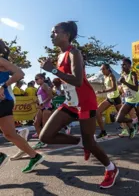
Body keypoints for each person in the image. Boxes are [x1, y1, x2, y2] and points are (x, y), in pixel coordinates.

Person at [39, 21, 118, 189]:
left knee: (91, 144)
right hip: (71, 102)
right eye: (52, 32)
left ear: (66, 35)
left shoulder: (74, 53)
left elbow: (77, 80)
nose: (51, 35)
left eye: (55, 32)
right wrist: (54, 76)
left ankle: (111, 168)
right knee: (45, 136)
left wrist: (52, 70)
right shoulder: (59, 56)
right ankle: (82, 141)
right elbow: (65, 80)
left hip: (85, 102)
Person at [0, 39, 44, 172]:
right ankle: (34, 156)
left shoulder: (1, 61)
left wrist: (3, 86)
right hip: (4, 101)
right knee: (9, 134)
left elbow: (20, 73)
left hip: (4, 100)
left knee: (10, 134)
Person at [116, 58, 139, 150]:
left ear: (129, 66)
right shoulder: (122, 75)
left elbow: (136, 88)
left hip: (137, 101)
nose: (122, 66)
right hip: (129, 101)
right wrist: (121, 88)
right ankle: (133, 122)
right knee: (119, 118)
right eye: (121, 64)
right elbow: (122, 87)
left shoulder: (132, 74)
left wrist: (124, 82)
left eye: (124, 64)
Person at [95, 63, 122, 138]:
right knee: (97, 112)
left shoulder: (111, 76)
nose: (102, 70)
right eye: (101, 69)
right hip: (109, 98)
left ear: (108, 69)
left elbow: (114, 88)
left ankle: (131, 127)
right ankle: (103, 132)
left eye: (103, 69)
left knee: (121, 116)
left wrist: (101, 91)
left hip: (116, 98)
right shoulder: (105, 76)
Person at [33, 73, 53, 149]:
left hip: (47, 107)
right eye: (35, 79)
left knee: (44, 125)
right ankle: (41, 140)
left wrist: (43, 103)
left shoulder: (44, 85)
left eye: (37, 79)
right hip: (41, 108)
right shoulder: (40, 87)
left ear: (42, 79)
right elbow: (40, 98)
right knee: (36, 123)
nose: (36, 81)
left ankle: (44, 141)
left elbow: (50, 96)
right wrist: (33, 102)